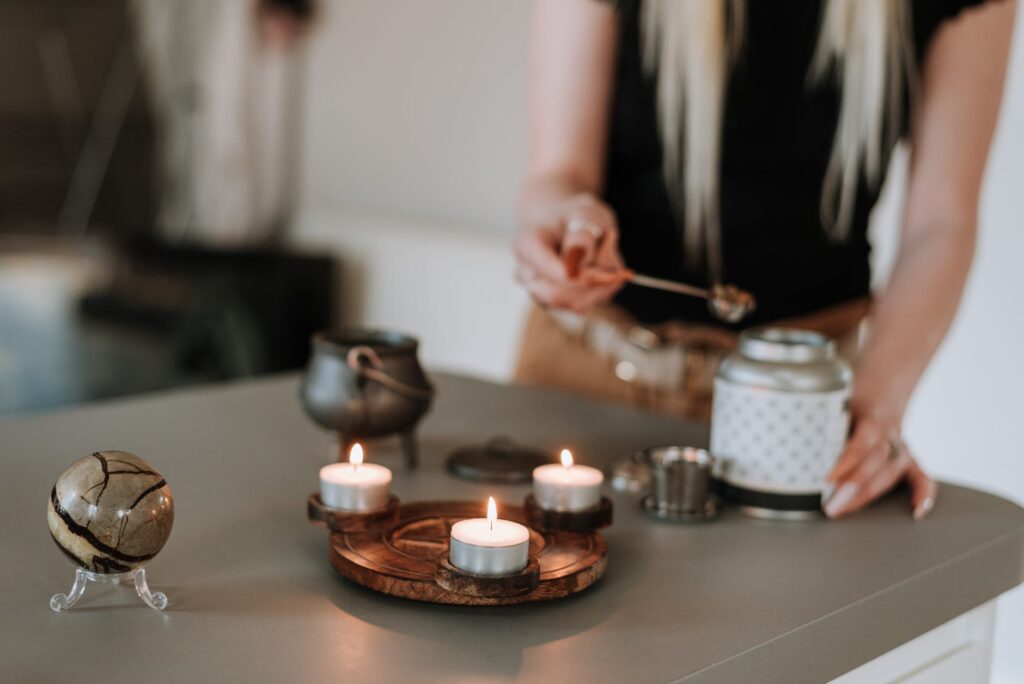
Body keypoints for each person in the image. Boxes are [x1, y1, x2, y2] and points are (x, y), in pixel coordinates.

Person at [513, 0, 1016, 519]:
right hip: (583, 379)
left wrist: (875, 410)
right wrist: (564, 223)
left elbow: (942, 223)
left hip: (799, 420)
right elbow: (557, 174)